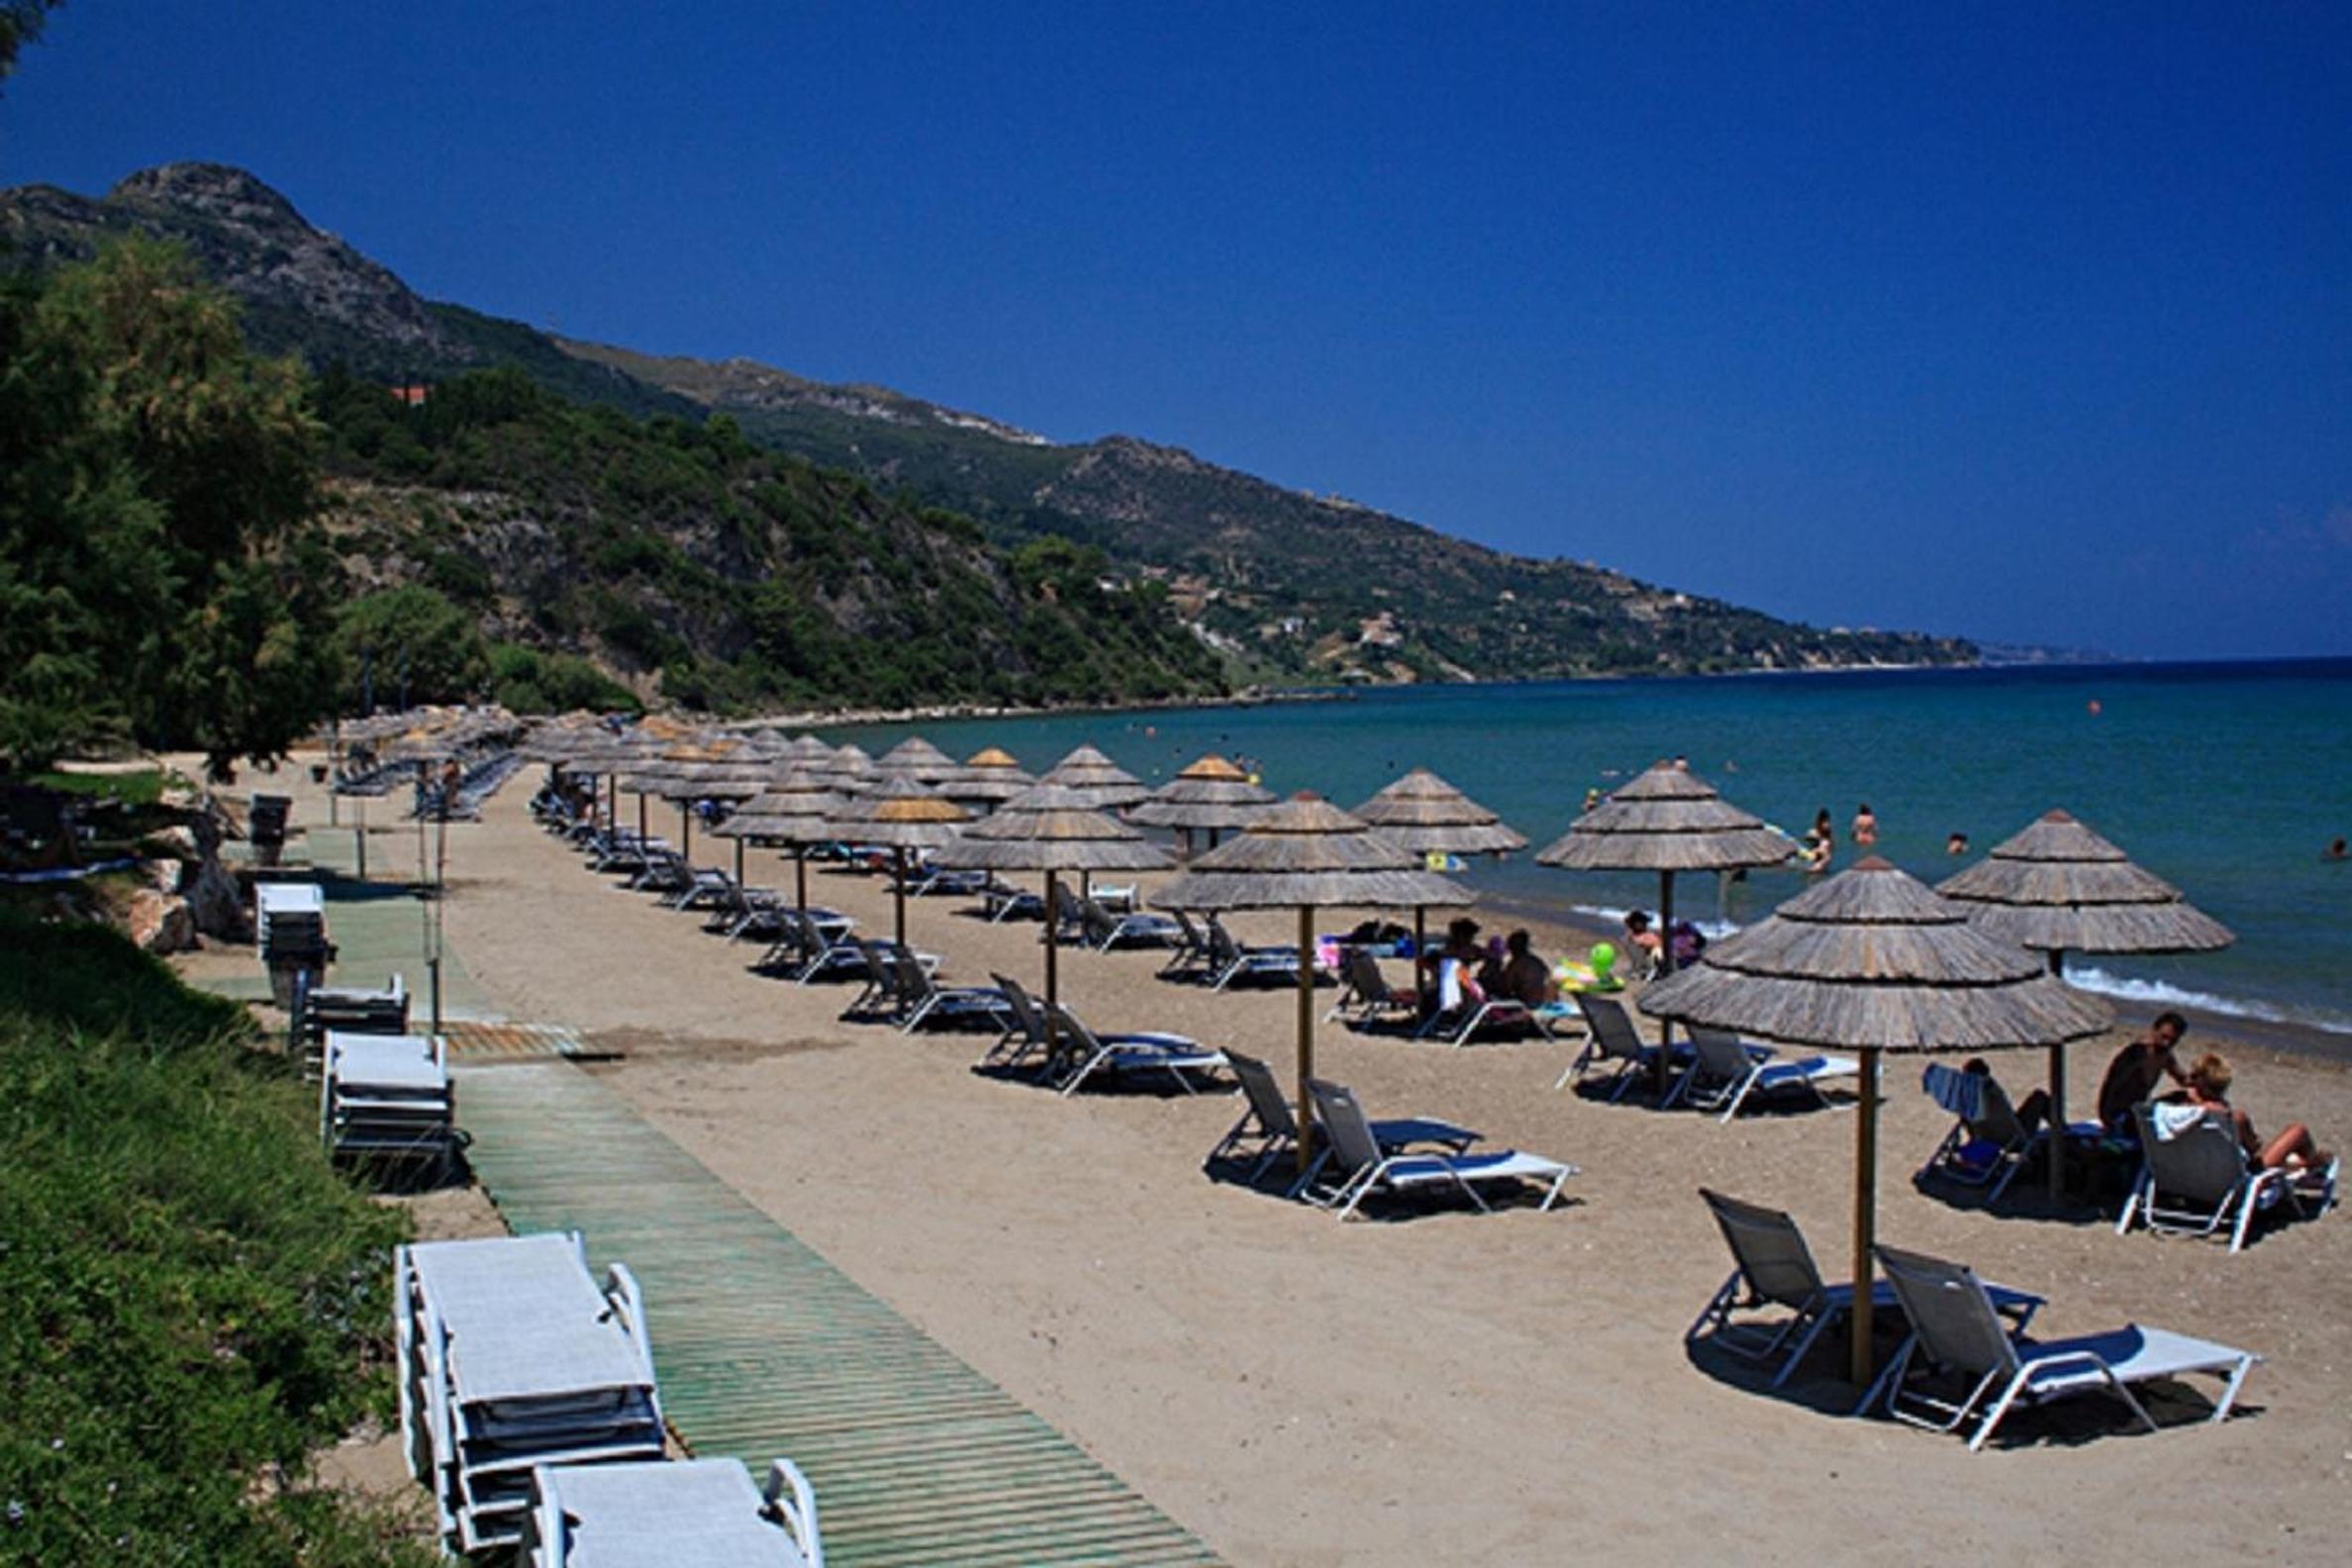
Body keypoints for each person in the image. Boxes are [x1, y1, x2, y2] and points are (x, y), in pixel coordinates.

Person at [2173, 1052, 2333, 1180]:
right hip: (2231, 1179)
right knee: (2298, 1131)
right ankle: (2311, 1165)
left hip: (2185, 1174)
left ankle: (2304, 1164)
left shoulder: (2173, 1110)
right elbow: (2254, 1150)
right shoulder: (2232, 1118)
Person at [2096, 1012, 2190, 1133]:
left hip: (2137, 1109)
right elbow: (2112, 1087)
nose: (2166, 1043)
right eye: (2164, 1037)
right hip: (2119, 1113)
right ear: (2154, 1030)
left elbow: (2182, 1078)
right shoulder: (2136, 1053)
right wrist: (2108, 1120)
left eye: (2173, 1041)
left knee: (2182, 1097)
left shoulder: (2165, 1055)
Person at [1497, 929, 1555, 1007]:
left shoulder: (1517, 963)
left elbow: (1507, 986)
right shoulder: (1536, 961)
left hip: (1527, 1003)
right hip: (1544, 1002)